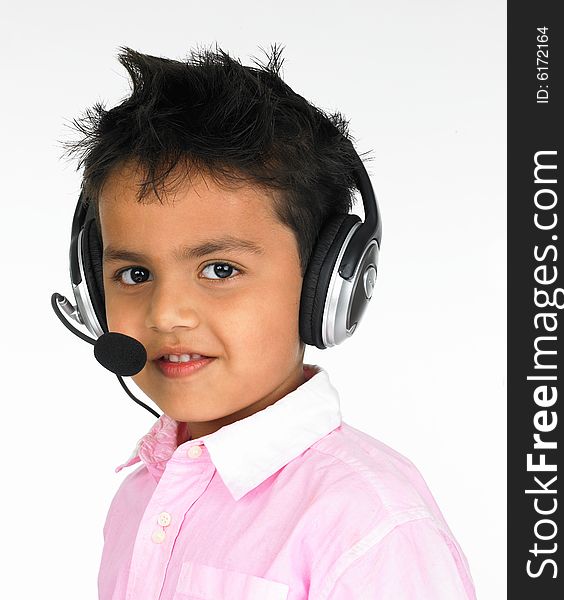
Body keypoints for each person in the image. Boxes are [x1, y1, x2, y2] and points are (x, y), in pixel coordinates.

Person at [60, 44, 477, 599]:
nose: (166, 314)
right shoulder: (140, 497)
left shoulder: (368, 524)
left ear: (325, 284)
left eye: (220, 268)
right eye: (134, 275)